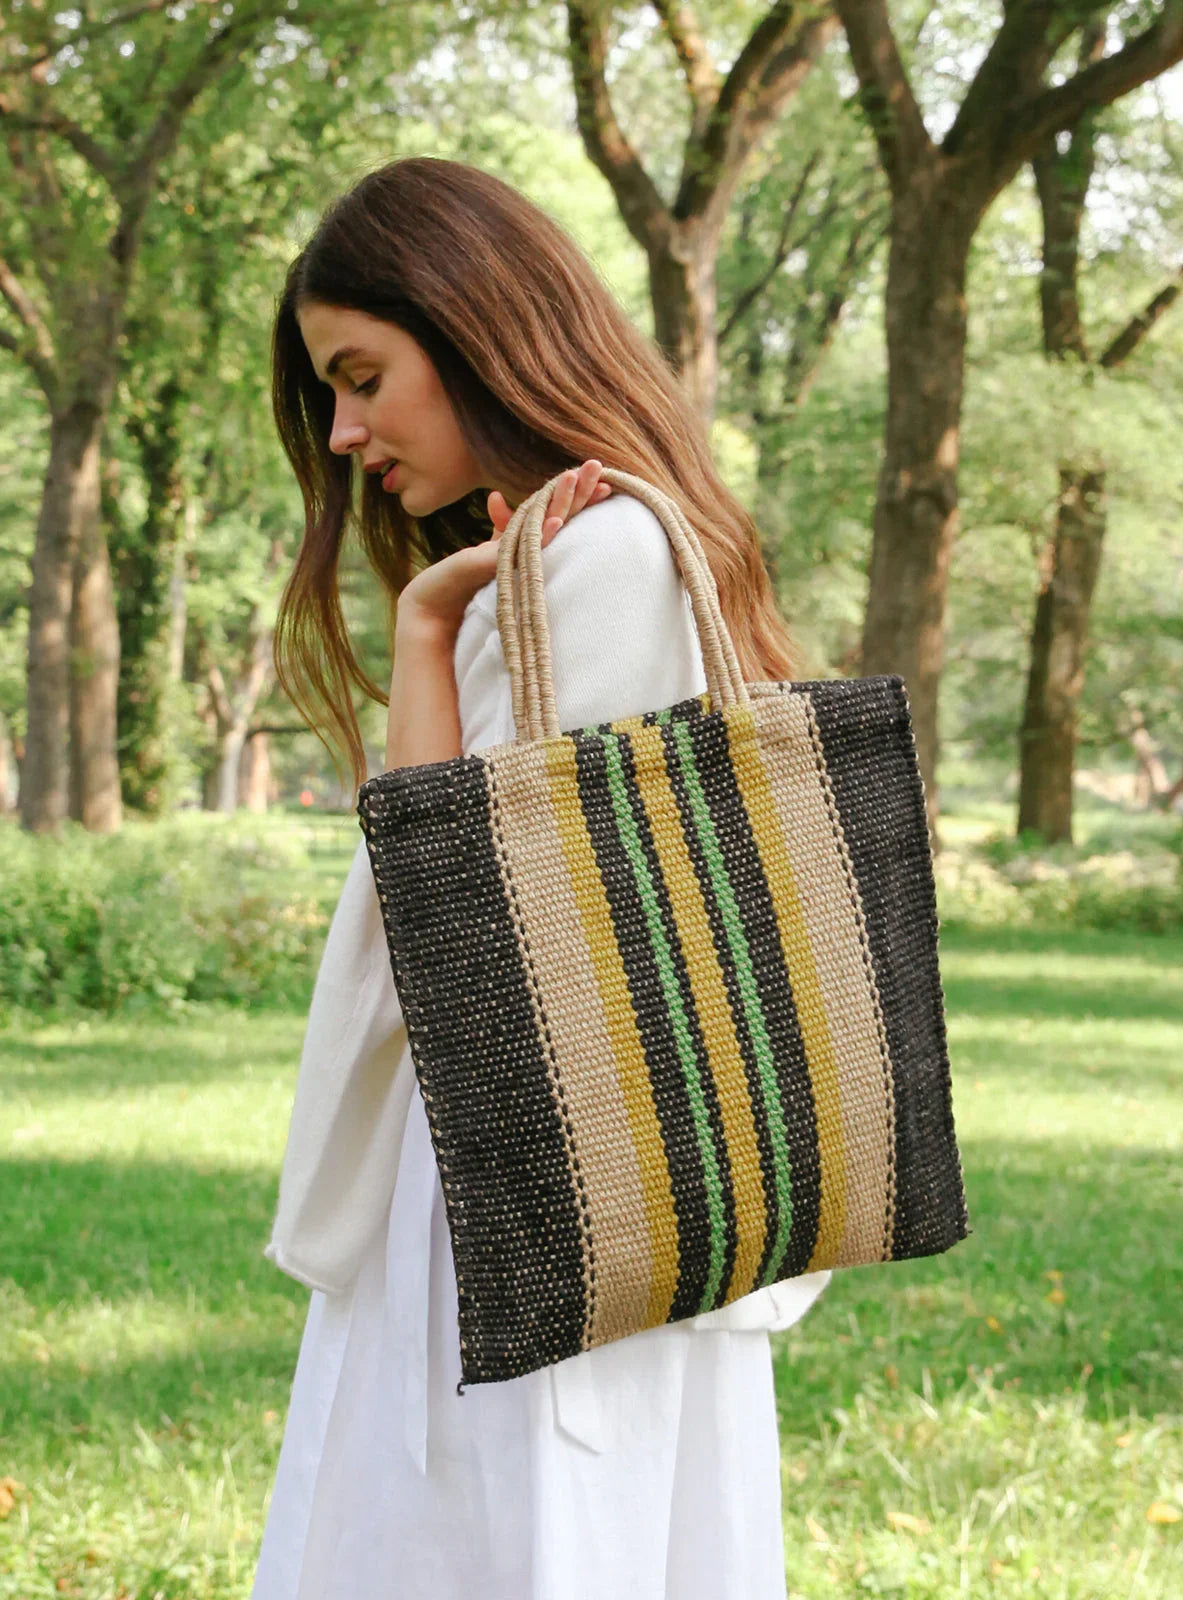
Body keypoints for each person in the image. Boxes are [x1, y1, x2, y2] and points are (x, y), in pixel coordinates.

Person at [252, 156, 831, 1600]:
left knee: (509, 1544)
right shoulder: (568, 556)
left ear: (474, 328)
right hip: (543, 1184)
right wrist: (435, 626)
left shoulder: (609, 562)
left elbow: (461, 922)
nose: (343, 432)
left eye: (364, 375)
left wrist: (420, 646)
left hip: (538, 1195)